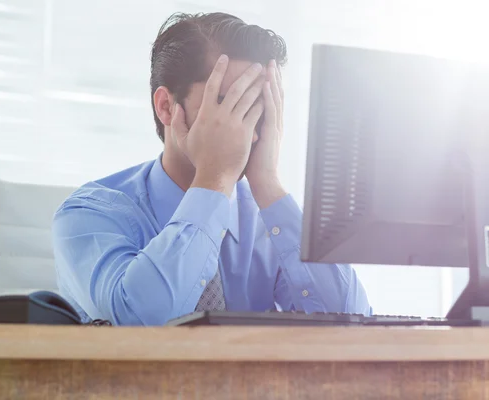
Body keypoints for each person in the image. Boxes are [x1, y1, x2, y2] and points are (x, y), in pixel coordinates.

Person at [52, 12, 371, 325]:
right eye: (230, 103)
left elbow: (354, 324)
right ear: (166, 106)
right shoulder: (89, 214)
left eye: (259, 106)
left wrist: (268, 184)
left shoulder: (268, 221)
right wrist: (213, 180)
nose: (248, 128)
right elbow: (141, 323)